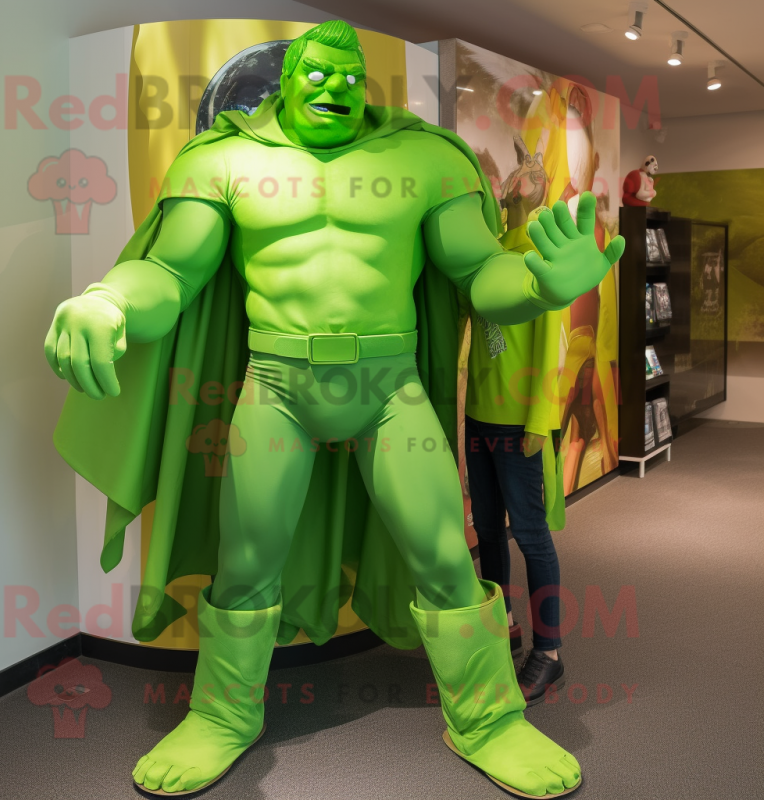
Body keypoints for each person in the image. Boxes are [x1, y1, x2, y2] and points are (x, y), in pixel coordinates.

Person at [45, 21, 622, 798]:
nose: (335, 88)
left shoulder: (425, 160)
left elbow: (478, 273)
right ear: (286, 81)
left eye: (350, 77)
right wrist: (108, 299)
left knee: (444, 556)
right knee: (246, 559)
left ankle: (488, 718)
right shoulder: (222, 161)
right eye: (317, 74)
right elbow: (171, 275)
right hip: (276, 385)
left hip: (389, 388)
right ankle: (222, 713)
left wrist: (539, 284)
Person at [465, 243, 567, 705]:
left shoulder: (541, 257)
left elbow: (550, 346)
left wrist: (539, 421)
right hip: (479, 415)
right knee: (487, 529)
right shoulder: (487, 258)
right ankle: (502, 622)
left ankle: (549, 651)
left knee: (530, 534)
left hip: (518, 422)